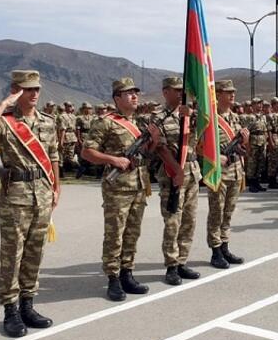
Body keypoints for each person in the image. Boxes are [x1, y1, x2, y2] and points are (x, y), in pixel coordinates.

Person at [0, 70, 60, 338]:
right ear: (15, 90)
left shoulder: (48, 122)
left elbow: (54, 157)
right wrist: (3, 104)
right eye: (27, 89)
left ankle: (28, 306)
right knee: (12, 256)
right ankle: (10, 311)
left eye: (37, 88)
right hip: (16, 198)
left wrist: (57, 188)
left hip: (43, 195)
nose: (34, 93)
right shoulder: (7, 122)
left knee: (35, 253)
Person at [81, 77, 169, 301]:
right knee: (115, 235)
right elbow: (87, 152)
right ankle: (113, 278)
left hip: (139, 184)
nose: (134, 96)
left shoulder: (139, 123)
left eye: (135, 92)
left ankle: (127, 273)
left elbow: (146, 153)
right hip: (117, 188)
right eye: (128, 93)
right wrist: (113, 159)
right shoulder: (105, 123)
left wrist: (154, 140)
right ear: (117, 98)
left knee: (132, 233)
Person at [154, 77, 201, 285]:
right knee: (173, 220)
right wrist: (176, 171)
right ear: (166, 92)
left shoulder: (191, 115)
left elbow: (207, 131)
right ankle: (171, 265)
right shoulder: (158, 117)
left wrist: (191, 115)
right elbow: (160, 148)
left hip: (193, 171)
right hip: (172, 174)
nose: (182, 93)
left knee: (189, 220)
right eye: (177, 90)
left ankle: (182, 261)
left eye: (184, 90)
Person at [207, 79, 249, 269]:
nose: (232, 95)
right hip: (219, 172)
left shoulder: (235, 118)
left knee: (228, 212)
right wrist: (216, 158)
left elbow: (241, 147)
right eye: (228, 92)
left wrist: (245, 142)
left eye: (233, 92)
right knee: (217, 212)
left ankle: (225, 246)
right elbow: (200, 146)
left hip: (235, 171)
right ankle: (215, 250)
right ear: (218, 95)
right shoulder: (209, 118)